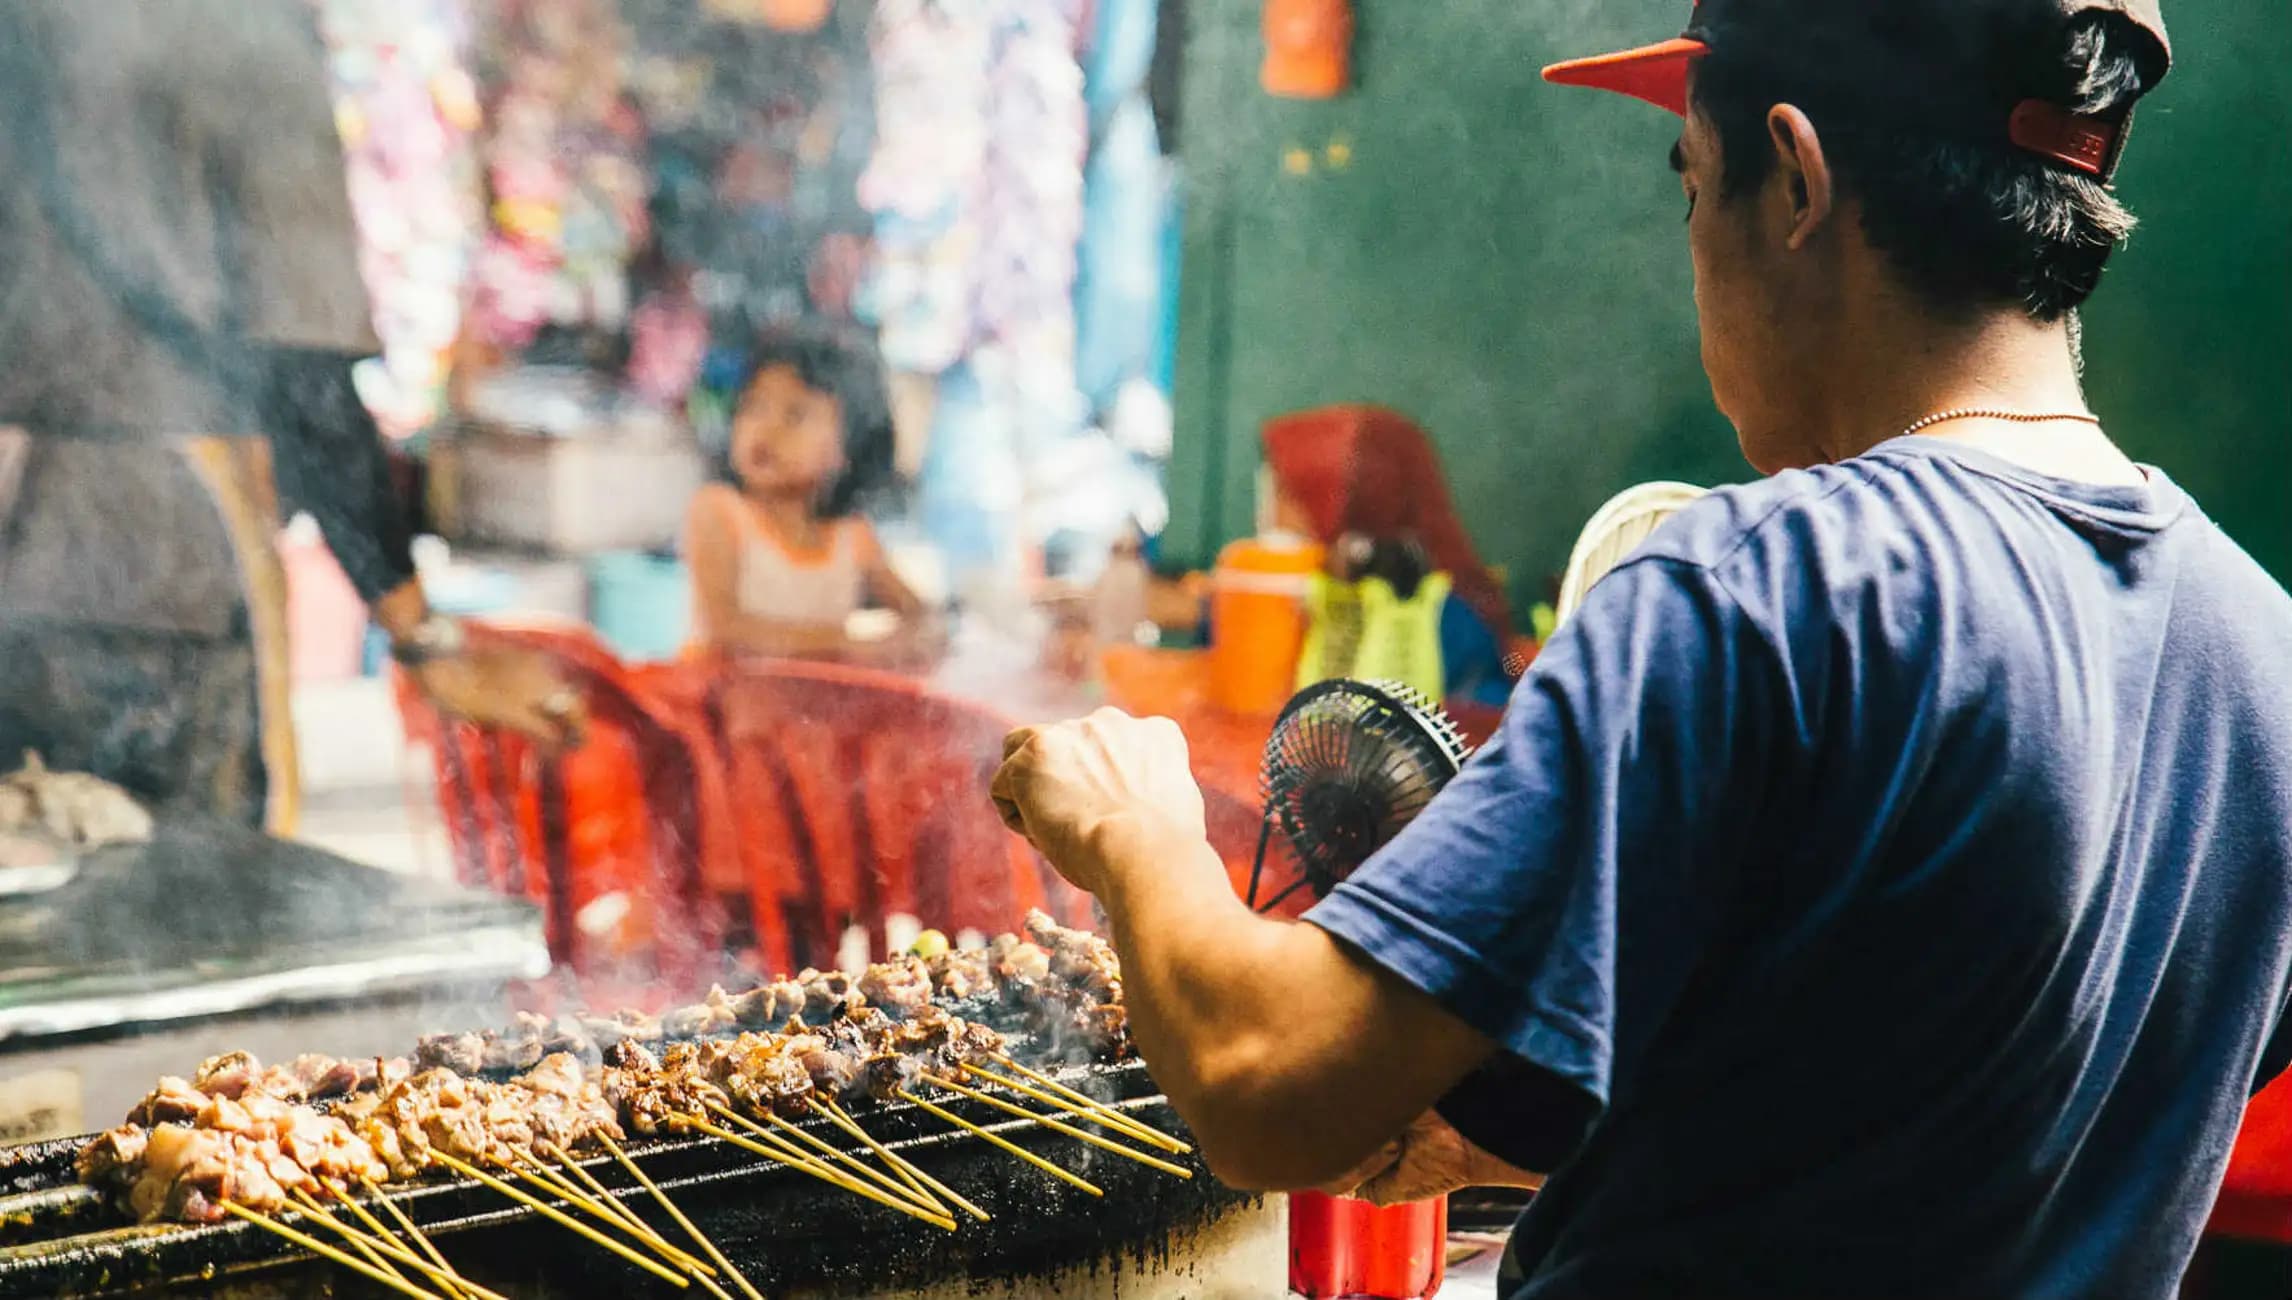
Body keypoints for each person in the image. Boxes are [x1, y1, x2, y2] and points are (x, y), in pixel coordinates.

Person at [990, 0, 2292, 1295]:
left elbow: (1264, 1088)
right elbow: (1955, 1099)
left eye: (1694, 187)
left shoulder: (1753, 587)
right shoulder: (2263, 651)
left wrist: (1131, 825)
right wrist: (1509, 1141)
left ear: (1793, 177)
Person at [0, 0, 580, 834]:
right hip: (151, 574)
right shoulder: (244, 29)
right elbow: (300, 370)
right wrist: (421, 639)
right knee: (180, 917)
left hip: (35, 576)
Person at [683, 330, 936, 668]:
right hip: (714, 709)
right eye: (754, 406)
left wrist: (915, 637)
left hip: (809, 710)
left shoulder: (851, 536)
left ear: (848, 447)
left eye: (795, 414)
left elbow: (918, 611)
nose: (765, 429)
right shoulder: (720, 511)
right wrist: (850, 643)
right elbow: (726, 628)